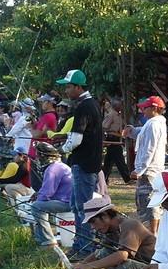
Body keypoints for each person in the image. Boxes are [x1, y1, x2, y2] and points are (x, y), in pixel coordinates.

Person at [59, 195, 156, 269]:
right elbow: (98, 253)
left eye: (93, 221)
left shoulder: (129, 225)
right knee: (104, 253)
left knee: (115, 260)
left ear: (105, 216)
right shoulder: (111, 230)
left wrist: (89, 266)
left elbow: (122, 255)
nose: (92, 227)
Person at [57, 69, 104, 258]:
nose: (66, 91)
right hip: (86, 162)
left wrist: (61, 149)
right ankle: (79, 244)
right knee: (77, 206)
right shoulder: (91, 104)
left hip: (84, 164)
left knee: (83, 207)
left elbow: (76, 139)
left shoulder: (84, 107)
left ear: (78, 87)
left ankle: (85, 248)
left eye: (68, 87)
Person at [126, 95, 167, 233]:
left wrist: (139, 169)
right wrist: (132, 131)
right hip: (150, 169)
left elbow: (149, 148)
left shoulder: (154, 124)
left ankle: (152, 233)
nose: (143, 111)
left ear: (154, 108)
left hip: (149, 170)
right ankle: (152, 232)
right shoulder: (153, 123)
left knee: (148, 201)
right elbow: (142, 134)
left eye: (145, 108)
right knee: (147, 200)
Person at [28, 142, 73, 248]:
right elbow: (47, 190)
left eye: (38, 155)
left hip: (67, 203)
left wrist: (38, 199)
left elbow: (47, 193)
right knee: (38, 205)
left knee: (37, 207)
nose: (37, 158)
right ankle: (40, 239)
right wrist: (38, 194)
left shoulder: (52, 169)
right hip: (67, 200)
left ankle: (48, 241)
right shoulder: (58, 166)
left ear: (43, 156)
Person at [29, 94, 59, 190]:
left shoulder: (48, 116)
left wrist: (30, 128)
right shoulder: (49, 116)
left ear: (49, 103)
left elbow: (37, 135)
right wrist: (34, 124)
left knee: (37, 183)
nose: (41, 103)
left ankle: (41, 203)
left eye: (43, 101)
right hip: (40, 153)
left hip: (39, 154)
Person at [102, 97, 131, 184]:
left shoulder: (118, 115)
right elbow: (104, 127)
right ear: (116, 106)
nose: (122, 106)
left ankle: (103, 179)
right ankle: (127, 178)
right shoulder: (111, 115)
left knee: (109, 161)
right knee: (119, 159)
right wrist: (114, 132)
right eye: (121, 105)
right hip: (112, 139)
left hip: (117, 138)